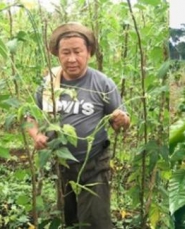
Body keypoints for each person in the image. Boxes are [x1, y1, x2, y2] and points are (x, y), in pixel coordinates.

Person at [27, 22, 130, 228]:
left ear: (89, 52)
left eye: (77, 51)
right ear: (57, 54)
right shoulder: (49, 84)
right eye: (65, 52)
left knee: (95, 221)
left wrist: (122, 120)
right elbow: (30, 117)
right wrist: (36, 135)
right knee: (68, 217)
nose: (71, 59)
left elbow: (122, 121)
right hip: (61, 166)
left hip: (94, 164)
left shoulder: (102, 83)